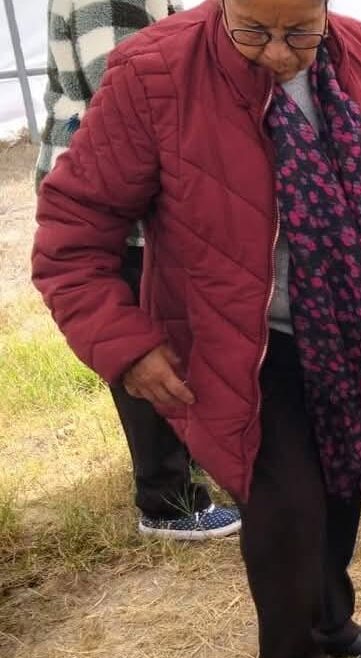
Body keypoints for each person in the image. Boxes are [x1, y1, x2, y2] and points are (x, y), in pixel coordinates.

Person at [32, 0, 361, 658]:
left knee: (341, 491)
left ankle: (331, 620)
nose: (280, 54)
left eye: (299, 34)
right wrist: (126, 344)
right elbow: (73, 228)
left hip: (349, 328)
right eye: (253, 32)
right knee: (288, 509)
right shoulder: (155, 70)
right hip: (247, 343)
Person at [35, 0, 241, 539]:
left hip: (130, 186)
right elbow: (129, 92)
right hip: (119, 196)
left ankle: (180, 473)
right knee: (139, 345)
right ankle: (168, 501)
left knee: (159, 338)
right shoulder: (110, 1)